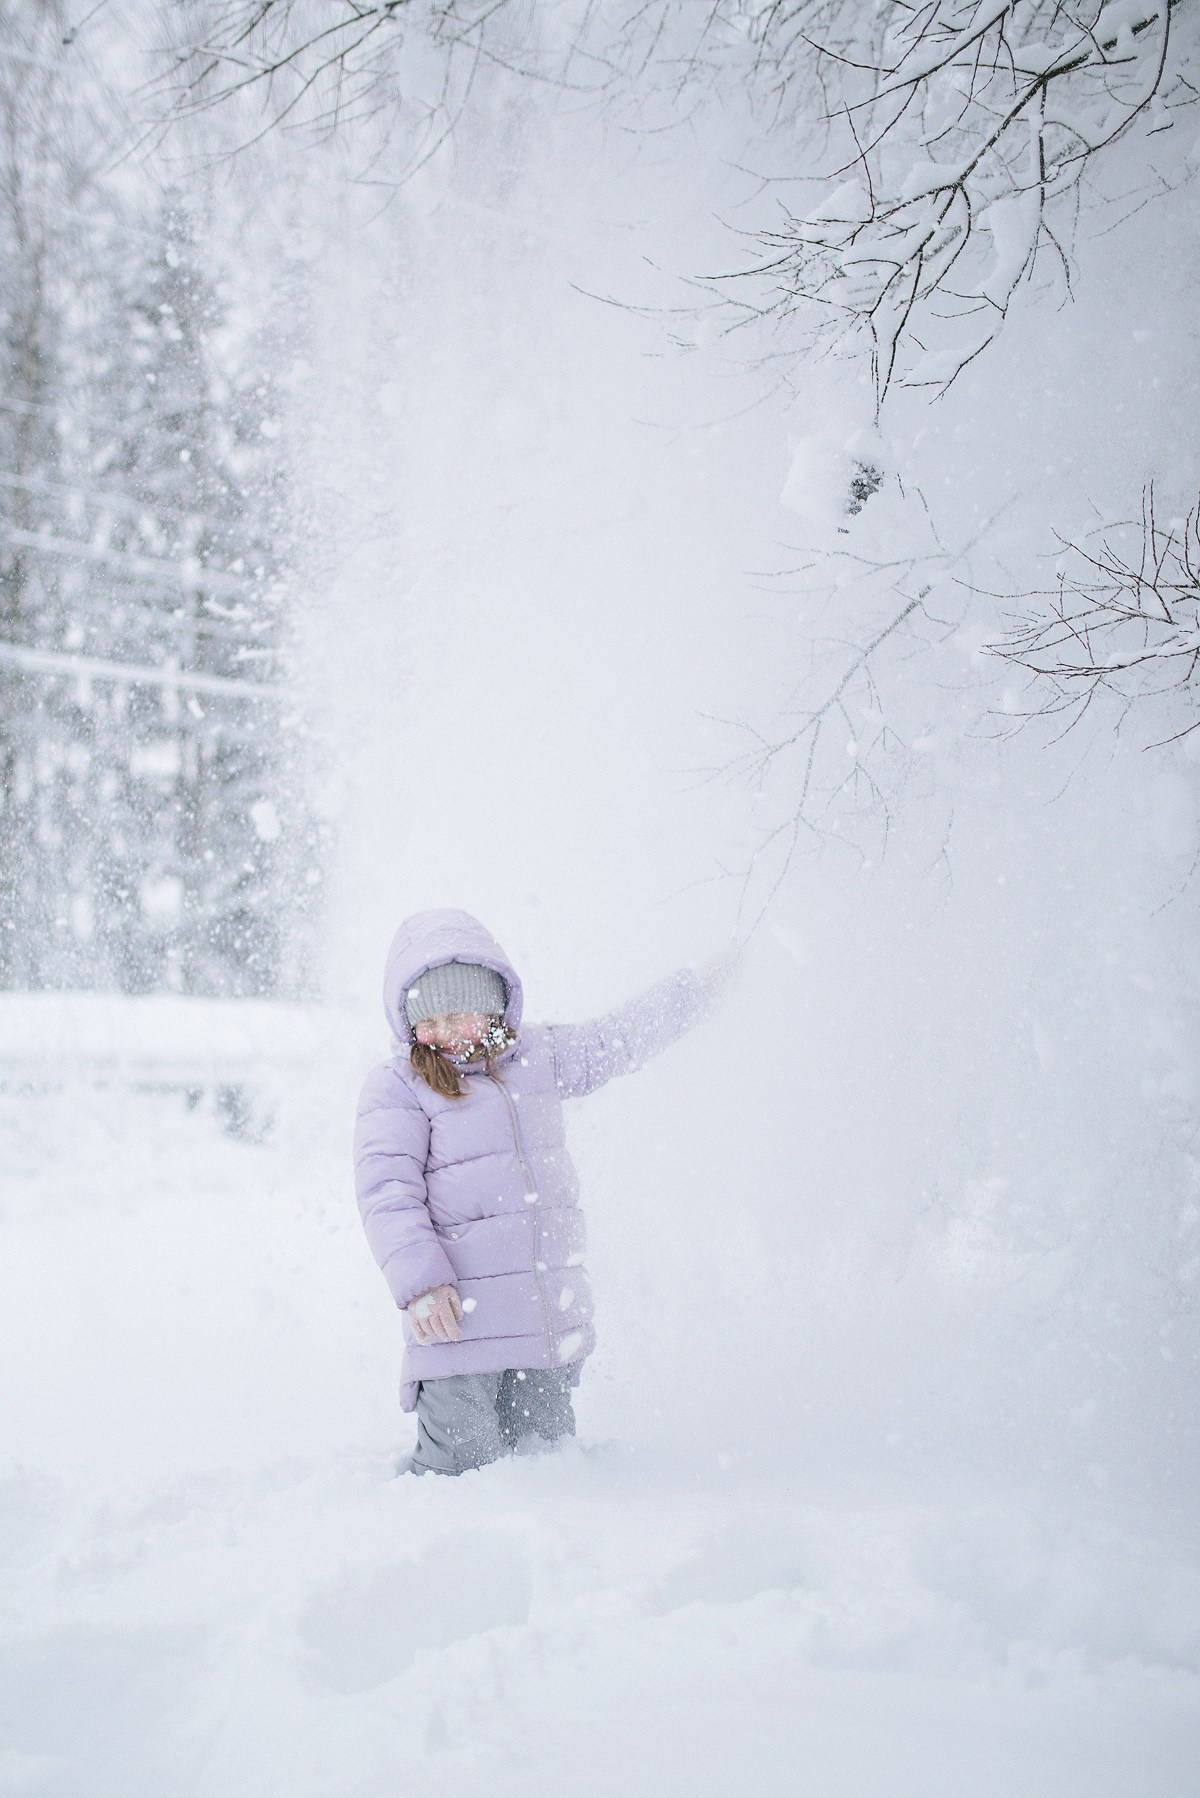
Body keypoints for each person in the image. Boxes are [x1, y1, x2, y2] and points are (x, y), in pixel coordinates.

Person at [353, 907, 736, 1475]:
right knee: (458, 1477)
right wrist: (421, 1285)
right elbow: (388, 1192)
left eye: (455, 1015)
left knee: (548, 1469)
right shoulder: (399, 1086)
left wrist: (696, 991)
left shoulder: (537, 1057)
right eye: (426, 1022)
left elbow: (615, 1040)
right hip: (459, 1328)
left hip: (541, 1324)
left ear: (492, 1007)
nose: (440, 1034)